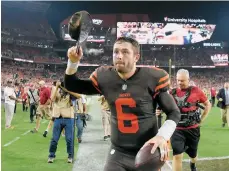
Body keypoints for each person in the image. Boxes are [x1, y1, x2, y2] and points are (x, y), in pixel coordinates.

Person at [64, 37, 181, 171]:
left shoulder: (152, 77)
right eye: (116, 52)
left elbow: (174, 112)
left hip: (147, 151)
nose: (119, 56)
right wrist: (72, 62)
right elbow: (72, 85)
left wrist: (162, 136)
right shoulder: (104, 77)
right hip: (118, 153)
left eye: (125, 52)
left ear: (136, 57)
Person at [157, 69, 211, 171]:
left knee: (193, 155)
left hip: (193, 129)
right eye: (178, 80)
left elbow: (208, 104)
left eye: (182, 80)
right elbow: (166, 107)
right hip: (176, 129)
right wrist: (160, 111)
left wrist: (202, 119)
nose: (179, 83)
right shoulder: (172, 93)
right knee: (177, 155)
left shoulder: (197, 91)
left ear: (188, 79)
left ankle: (193, 164)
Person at [48, 81, 82, 163]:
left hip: (69, 118)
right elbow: (52, 99)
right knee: (54, 139)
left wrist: (67, 90)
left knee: (69, 139)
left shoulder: (69, 94)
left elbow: (79, 96)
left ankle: (70, 156)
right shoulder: (56, 92)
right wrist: (56, 87)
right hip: (58, 118)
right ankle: (51, 155)